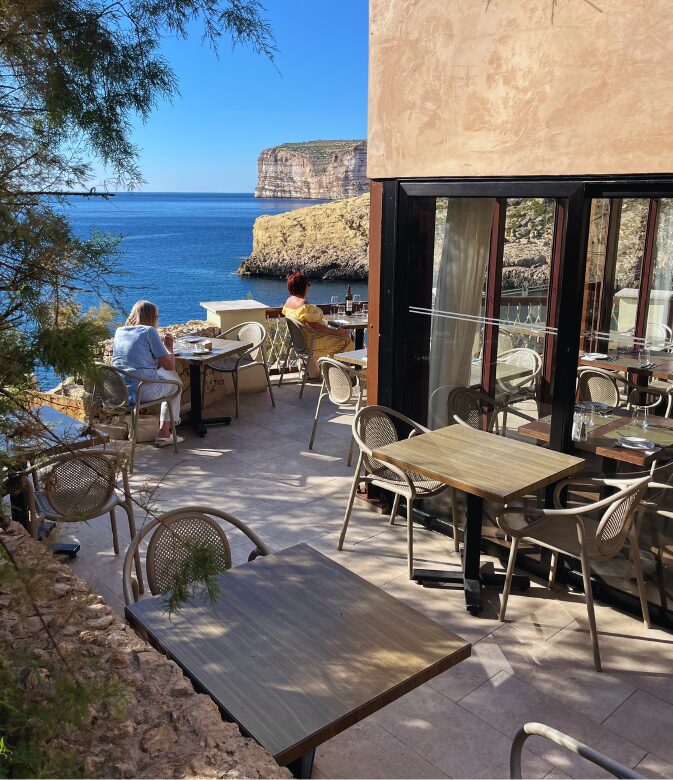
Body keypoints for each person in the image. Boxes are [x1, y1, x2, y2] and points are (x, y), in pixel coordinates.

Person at [112, 300, 184, 447]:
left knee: (168, 377)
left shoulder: (119, 331)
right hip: (142, 391)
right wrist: (169, 347)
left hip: (121, 392)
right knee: (177, 385)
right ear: (152, 317)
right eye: (156, 317)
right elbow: (169, 365)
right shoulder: (149, 331)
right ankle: (165, 432)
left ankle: (165, 431)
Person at [282, 272, 354, 378]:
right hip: (312, 341)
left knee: (341, 338)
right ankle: (340, 377)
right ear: (303, 286)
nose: (309, 287)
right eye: (308, 284)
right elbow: (314, 326)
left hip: (300, 341)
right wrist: (336, 332)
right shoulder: (303, 304)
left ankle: (332, 371)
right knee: (346, 340)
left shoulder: (289, 301)